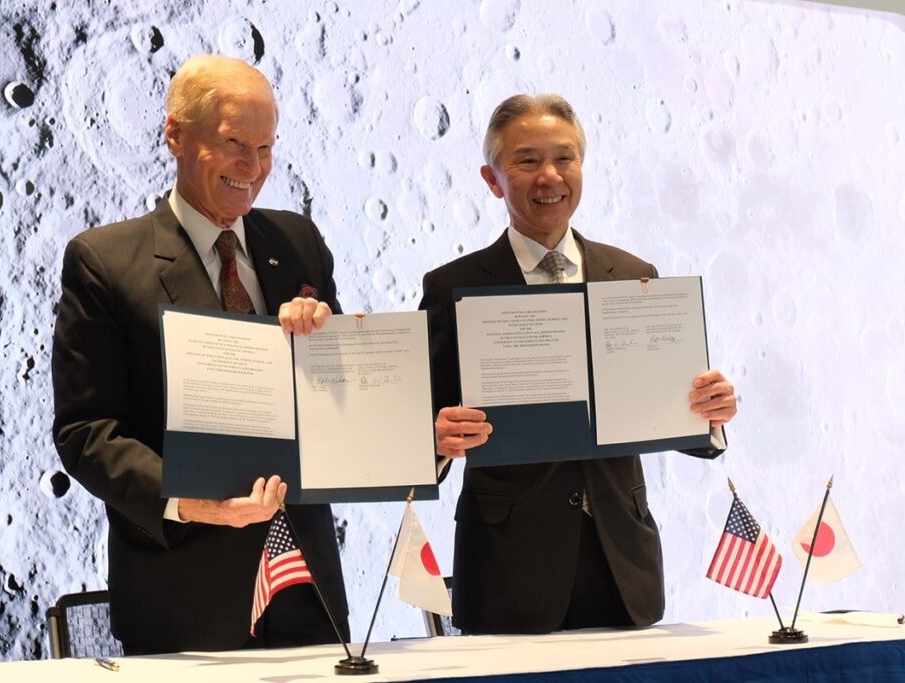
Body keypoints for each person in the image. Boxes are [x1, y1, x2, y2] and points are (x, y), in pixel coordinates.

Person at [51, 55, 348, 655]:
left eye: (266, 147)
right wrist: (186, 499)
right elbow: (86, 433)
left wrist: (335, 344)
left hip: (308, 595)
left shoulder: (298, 242)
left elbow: (335, 408)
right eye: (234, 143)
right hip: (182, 601)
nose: (253, 167)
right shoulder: (104, 261)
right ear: (175, 135)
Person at [419, 94, 738, 634]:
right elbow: (420, 430)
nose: (550, 176)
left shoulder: (634, 275)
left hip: (622, 562)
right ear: (492, 179)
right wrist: (434, 440)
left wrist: (709, 412)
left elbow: (672, 414)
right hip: (507, 568)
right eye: (526, 160)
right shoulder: (453, 287)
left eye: (564, 158)